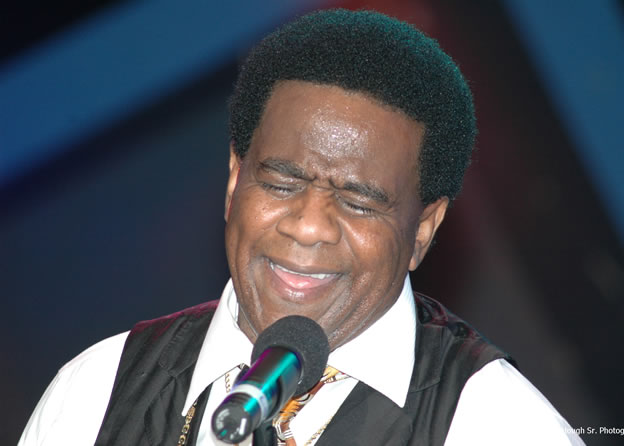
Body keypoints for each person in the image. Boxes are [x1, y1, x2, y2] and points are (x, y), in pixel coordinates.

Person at [19, 9, 584, 446]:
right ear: (234, 181)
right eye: (282, 183)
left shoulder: (497, 426)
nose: (310, 227)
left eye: (359, 202)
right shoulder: (96, 393)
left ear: (422, 230)